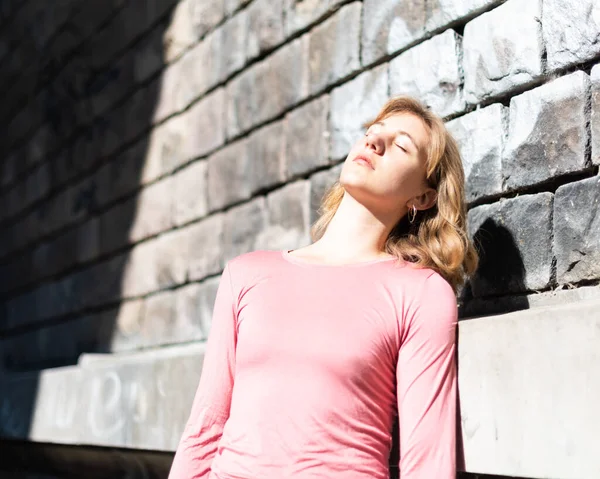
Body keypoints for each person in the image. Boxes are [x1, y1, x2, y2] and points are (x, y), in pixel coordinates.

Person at [168, 95, 478, 479]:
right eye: (372, 132)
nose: (374, 143)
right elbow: (204, 428)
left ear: (423, 196)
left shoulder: (420, 293)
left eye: (400, 145)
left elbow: (427, 462)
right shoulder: (246, 274)